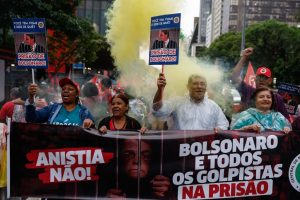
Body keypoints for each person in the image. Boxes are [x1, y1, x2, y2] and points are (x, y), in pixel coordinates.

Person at [152, 73, 229, 130]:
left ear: (206, 87)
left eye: (202, 84)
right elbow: (158, 111)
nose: (199, 86)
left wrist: (219, 129)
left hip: (204, 149)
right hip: (180, 148)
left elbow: (223, 124)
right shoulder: (177, 102)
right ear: (188, 86)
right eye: (195, 84)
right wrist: (160, 90)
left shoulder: (213, 106)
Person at [232, 47, 289, 120]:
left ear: (270, 81)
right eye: (259, 78)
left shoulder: (277, 98)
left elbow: (286, 121)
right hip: (248, 129)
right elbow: (234, 77)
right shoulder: (248, 90)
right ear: (255, 79)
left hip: (270, 130)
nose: (261, 81)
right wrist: (244, 57)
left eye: (264, 78)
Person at [105, 139, 171, 199]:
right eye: (127, 155)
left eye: (146, 156)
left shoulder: (162, 186)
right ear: (119, 158)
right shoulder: (105, 185)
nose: (136, 161)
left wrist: (169, 196)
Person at [25, 77, 94, 128]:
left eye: (70, 89)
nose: (65, 91)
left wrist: (89, 123)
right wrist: (31, 97)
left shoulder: (84, 112)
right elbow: (31, 119)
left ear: (76, 94)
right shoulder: (52, 108)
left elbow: (93, 130)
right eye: (63, 89)